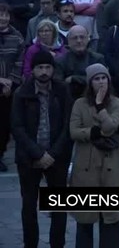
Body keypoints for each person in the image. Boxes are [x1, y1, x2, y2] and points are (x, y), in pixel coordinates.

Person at [11, 50, 72, 248]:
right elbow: (17, 127)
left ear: (53, 69)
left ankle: (57, 245)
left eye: (47, 67)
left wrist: (52, 154)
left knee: (59, 206)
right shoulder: (22, 93)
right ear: (33, 70)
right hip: (29, 158)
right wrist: (38, 153)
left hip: (56, 157)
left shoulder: (62, 91)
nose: (44, 72)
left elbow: (67, 125)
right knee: (29, 206)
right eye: (40, 67)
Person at [69, 63, 119, 248]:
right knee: (85, 216)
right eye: (96, 78)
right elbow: (74, 131)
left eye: (104, 78)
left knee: (110, 217)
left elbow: (110, 127)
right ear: (90, 82)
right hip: (86, 164)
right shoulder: (80, 103)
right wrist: (92, 132)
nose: (101, 82)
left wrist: (100, 106)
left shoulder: (118, 103)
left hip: (111, 165)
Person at [0, 3, 24, 172]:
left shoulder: (17, 37)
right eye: (0, 15)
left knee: (4, 124)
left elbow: (20, 61)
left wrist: (10, 81)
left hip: (10, 87)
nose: (3, 18)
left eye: (6, 15)